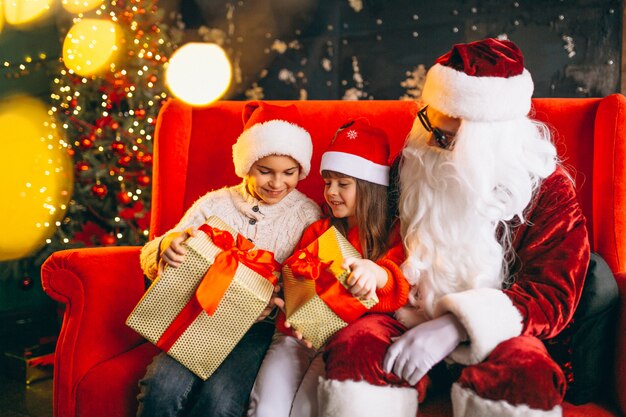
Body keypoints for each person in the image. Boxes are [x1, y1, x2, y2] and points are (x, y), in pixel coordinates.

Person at [317, 38, 590, 417]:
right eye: (428, 119)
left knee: (526, 372)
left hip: (499, 333)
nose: (429, 140)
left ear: (489, 139)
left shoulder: (547, 187)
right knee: (356, 349)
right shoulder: (414, 160)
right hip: (404, 315)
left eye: (446, 138)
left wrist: (456, 326)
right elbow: (355, 230)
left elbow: (552, 295)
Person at [136, 100, 322, 417]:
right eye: (265, 172)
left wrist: (280, 300)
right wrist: (167, 245)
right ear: (247, 165)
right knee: (161, 388)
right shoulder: (215, 204)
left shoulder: (306, 215)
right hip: (198, 319)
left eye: (289, 173)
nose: (277, 184)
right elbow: (154, 255)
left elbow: (308, 282)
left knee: (221, 401)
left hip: (257, 331)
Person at [248, 118, 410, 417]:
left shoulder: (393, 235)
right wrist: (287, 302)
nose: (331, 192)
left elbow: (396, 288)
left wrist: (373, 276)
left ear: (370, 186)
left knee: (306, 409)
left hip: (340, 342)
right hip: (295, 338)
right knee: (266, 408)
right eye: (327, 183)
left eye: (343, 184)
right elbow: (293, 283)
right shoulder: (318, 231)